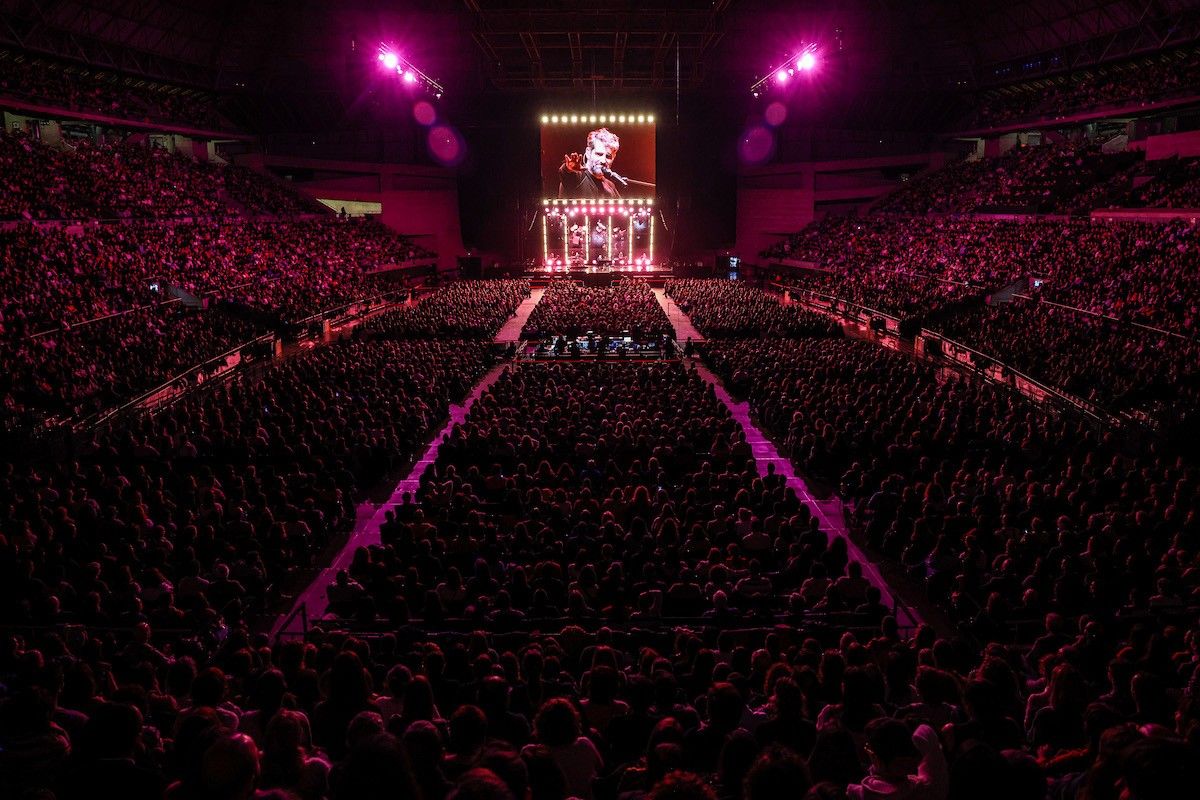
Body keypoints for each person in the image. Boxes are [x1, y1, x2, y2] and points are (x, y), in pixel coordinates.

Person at [559, 128, 621, 199]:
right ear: (588, 153)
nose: (603, 160)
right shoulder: (578, 177)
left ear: (613, 158)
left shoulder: (610, 186)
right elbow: (566, 174)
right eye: (599, 154)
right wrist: (569, 169)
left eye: (608, 156)